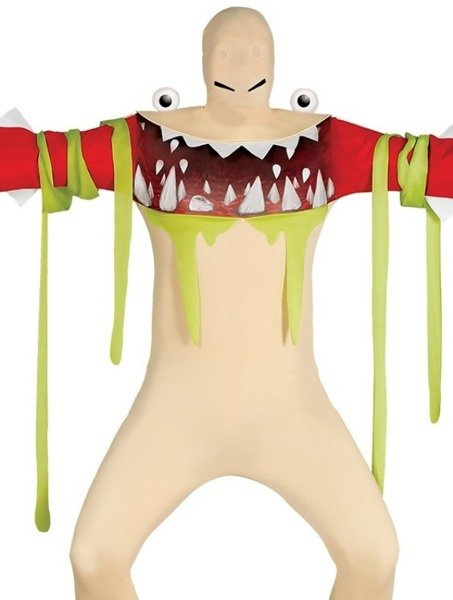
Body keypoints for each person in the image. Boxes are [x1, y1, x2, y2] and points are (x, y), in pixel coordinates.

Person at [1, 6, 453, 600]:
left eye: (255, 51)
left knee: (374, 554)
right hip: (174, 411)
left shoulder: (326, 142)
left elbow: (427, 165)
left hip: (293, 411)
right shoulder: (143, 141)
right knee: (94, 556)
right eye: (227, 51)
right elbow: (36, 157)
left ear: (276, 60)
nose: (241, 65)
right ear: (203, 60)